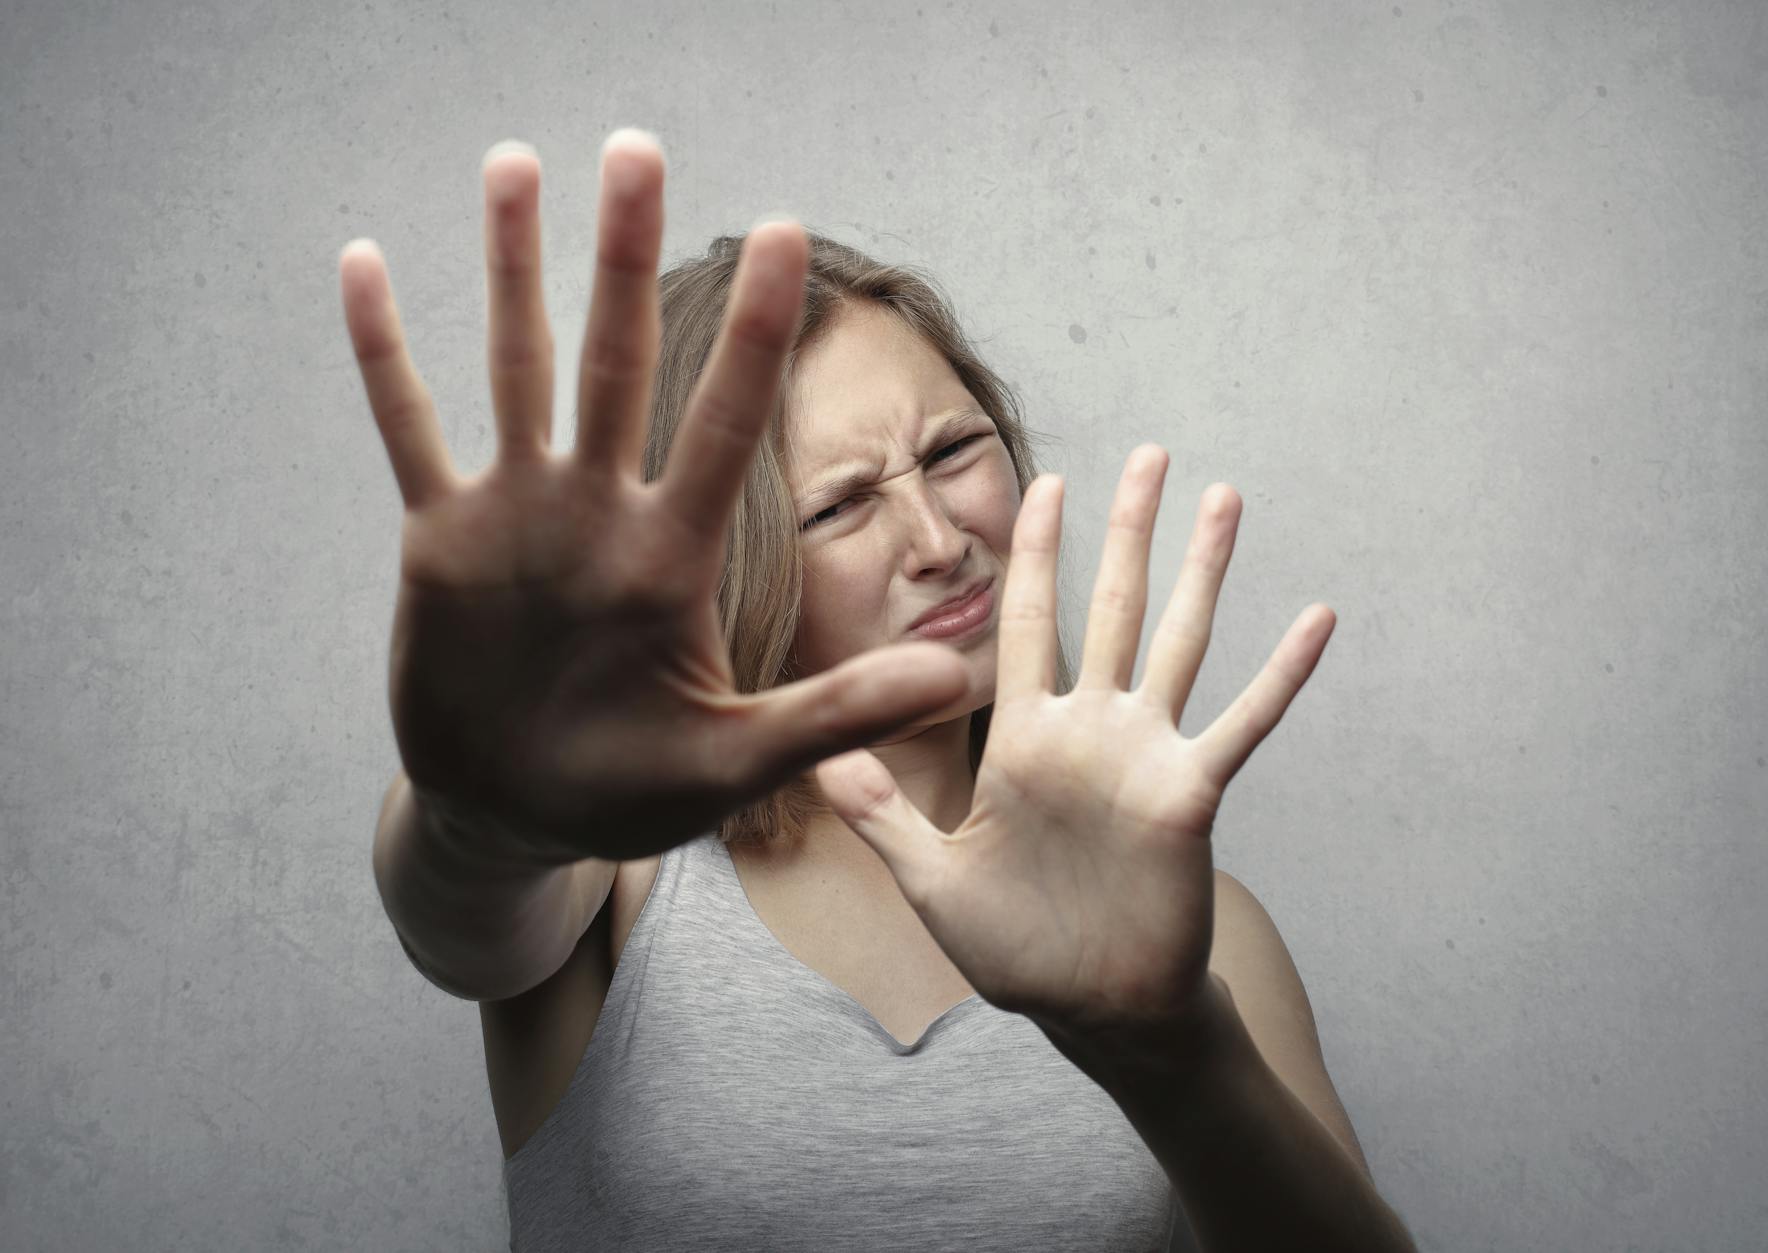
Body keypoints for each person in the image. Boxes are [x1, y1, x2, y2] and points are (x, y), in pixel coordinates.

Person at [344, 130, 1382, 1252]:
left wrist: (1165, 1047)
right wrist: (481, 808)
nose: (940, 539)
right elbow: (459, 916)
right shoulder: (619, 878)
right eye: (839, 506)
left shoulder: (1196, 927)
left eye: (950, 452)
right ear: (718, 567)